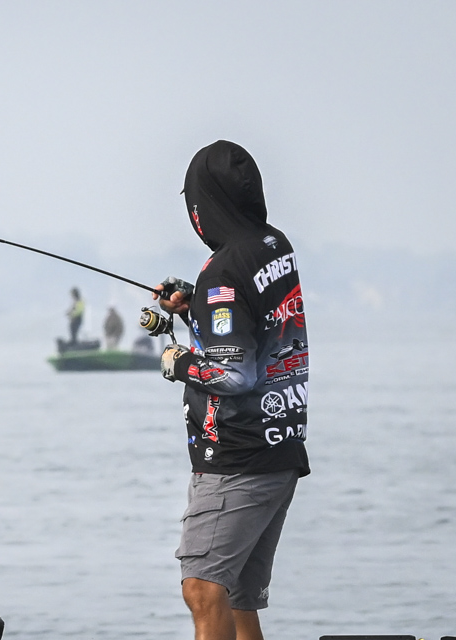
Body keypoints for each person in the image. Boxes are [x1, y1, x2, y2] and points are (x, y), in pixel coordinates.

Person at [154, 141, 309, 640]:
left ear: (204, 205)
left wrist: (179, 362)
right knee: (237, 596)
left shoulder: (223, 270)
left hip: (237, 458)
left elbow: (236, 375)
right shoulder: (273, 245)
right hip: (279, 450)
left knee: (202, 588)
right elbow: (251, 319)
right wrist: (196, 306)